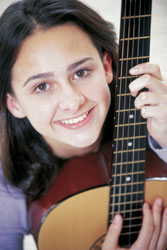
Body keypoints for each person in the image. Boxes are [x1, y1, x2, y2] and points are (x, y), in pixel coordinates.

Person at [0, 0, 167, 249]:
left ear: (106, 67)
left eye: (81, 72)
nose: (72, 101)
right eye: (41, 86)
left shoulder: (159, 120)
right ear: (15, 105)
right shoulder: (6, 183)